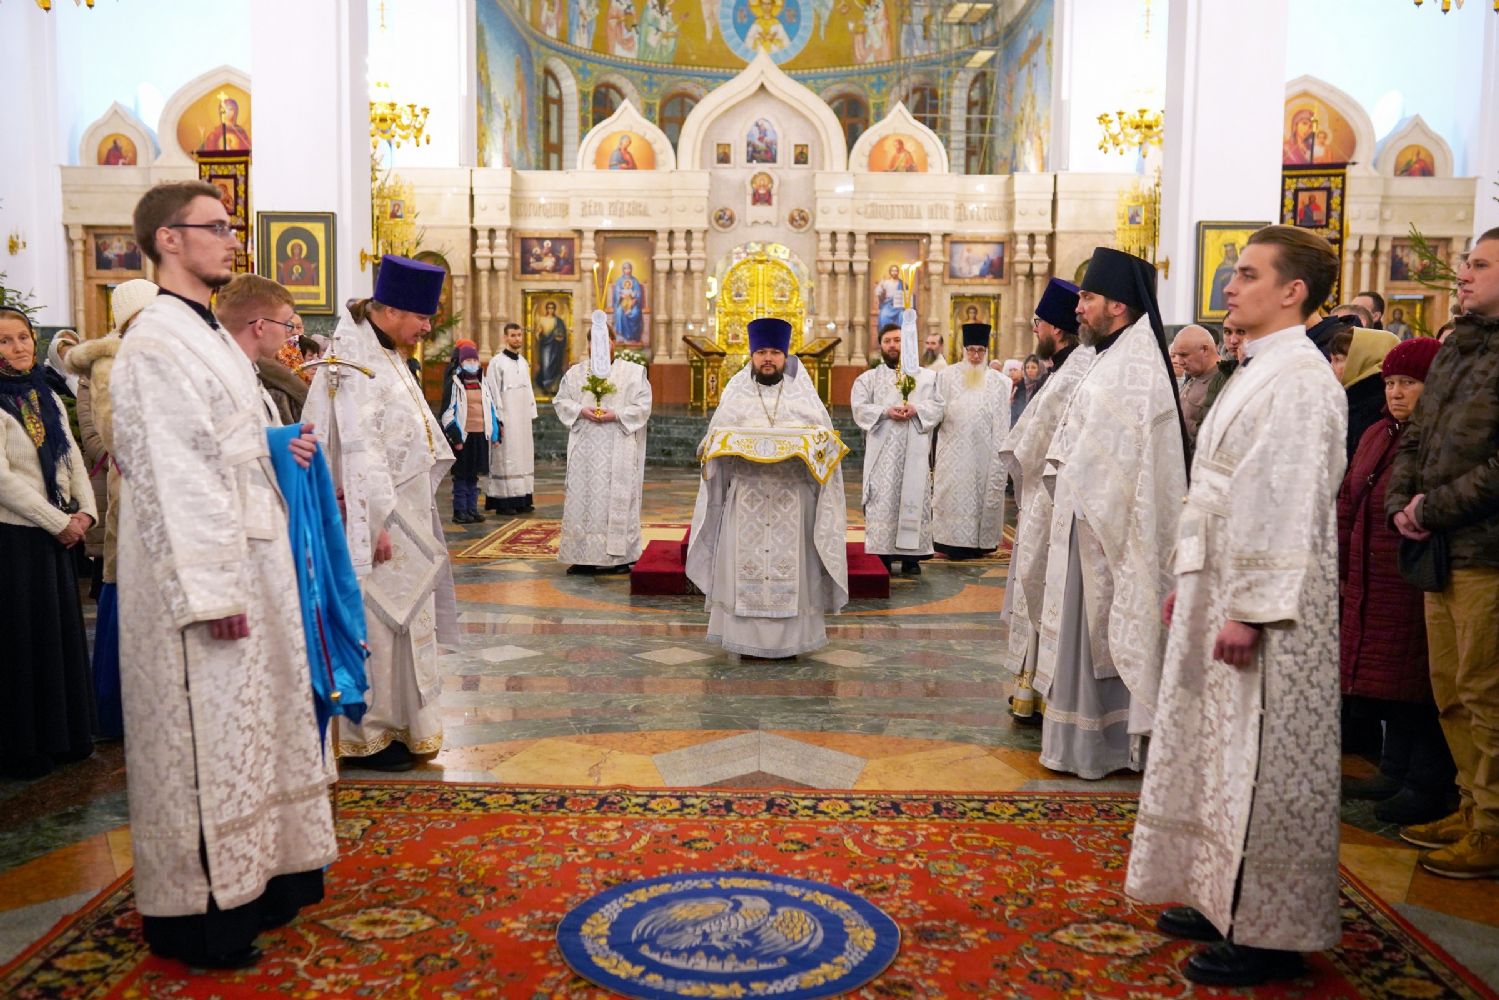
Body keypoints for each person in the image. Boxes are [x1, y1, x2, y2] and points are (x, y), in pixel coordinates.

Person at [111, 180, 334, 968]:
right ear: (168, 239)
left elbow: (239, 444)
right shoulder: (154, 344)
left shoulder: (202, 331)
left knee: (255, 725)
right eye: (216, 226)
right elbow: (175, 474)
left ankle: (261, 878)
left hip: (253, 558)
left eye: (230, 225)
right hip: (204, 578)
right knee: (205, 738)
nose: (232, 238)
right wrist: (211, 591)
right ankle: (203, 916)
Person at [1126, 224, 1348, 987]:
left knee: (1258, 759)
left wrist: (1248, 609)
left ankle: (1268, 932)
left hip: (1266, 607)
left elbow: (1284, 502)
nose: (1229, 284)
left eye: (1248, 273)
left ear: (1292, 291)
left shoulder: (1300, 381)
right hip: (1220, 586)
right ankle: (1221, 895)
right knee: (1220, 754)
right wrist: (1189, 582)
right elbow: (1218, 488)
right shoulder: (1260, 367)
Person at [1032, 247, 1187, 780]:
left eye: (1088, 298)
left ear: (1118, 305)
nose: (1078, 308)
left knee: (1101, 631)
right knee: (1081, 635)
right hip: (1085, 521)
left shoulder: (1137, 367)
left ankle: (1105, 745)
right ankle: (1078, 742)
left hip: (1111, 531)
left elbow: (1130, 461)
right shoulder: (1111, 356)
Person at [304, 255, 458, 773]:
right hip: (376, 523)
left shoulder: (387, 353)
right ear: (390, 310)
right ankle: (368, 732)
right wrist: (374, 520)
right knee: (376, 620)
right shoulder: (351, 361)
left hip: (404, 515)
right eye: (422, 317)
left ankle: (404, 725)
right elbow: (357, 446)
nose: (427, 327)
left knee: (404, 621)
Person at [1386, 226, 1499, 880]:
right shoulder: (1457, 346)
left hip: (1485, 550)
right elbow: (1415, 435)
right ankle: (1470, 805)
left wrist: (1431, 508)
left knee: (1487, 694)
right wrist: (1400, 501)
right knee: (1449, 689)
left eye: (1479, 265)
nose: (1463, 273)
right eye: (1466, 262)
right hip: (1437, 549)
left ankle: (1493, 826)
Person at [1339, 336, 1455, 826]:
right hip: (1370, 572)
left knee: (1419, 684)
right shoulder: (1377, 432)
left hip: (1409, 573)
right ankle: (1393, 768)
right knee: (1391, 683)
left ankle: (1425, 784)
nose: (1396, 393)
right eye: (1390, 383)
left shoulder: (1438, 437)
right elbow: (1349, 497)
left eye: (1409, 382)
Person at [687, 317, 848, 658]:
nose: (768, 359)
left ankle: (791, 642)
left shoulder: (804, 397)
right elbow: (712, 442)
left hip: (793, 498)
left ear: (785, 356)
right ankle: (745, 639)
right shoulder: (735, 395)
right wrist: (711, 451)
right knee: (743, 568)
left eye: (775, 352)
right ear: (752, 356)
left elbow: (825, 443)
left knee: (794, 571)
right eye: (761, 352)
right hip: (747, 497)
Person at [0, 306, 96, 780]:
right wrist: (57, 520)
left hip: (56, 535)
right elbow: (3, 481)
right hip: (14, 540)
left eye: (22, 337)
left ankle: (65, 735)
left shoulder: (45, 393)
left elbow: (71, 456)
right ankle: (22, 746)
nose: (17, 347)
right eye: (4, 340)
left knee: (56, 639)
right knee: (21, 642)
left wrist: (86, 511)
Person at [66, 278, 158, 741]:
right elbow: (114, 436)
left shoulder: (156, 357)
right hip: (136, 497)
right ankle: (119, 709)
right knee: (125, 596)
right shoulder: (108, 363)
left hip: (161, 497)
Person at [1000, 278, 1095, 724]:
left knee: (1045, 588)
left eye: (1038, 322)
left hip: (1054, 499)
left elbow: (1035, 440)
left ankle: (1040, 692)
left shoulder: (1075, 370)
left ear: (1055, 328)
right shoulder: (1067, 367)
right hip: (1045, 497)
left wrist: (1014, 455)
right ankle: (1030, 689)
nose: (1034, 329)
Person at [554, 314, 652, 573]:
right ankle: (582, 557)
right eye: (592, 341)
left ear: (612, 343)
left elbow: (643, 406)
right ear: (588, 345)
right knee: (583, 501)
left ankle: (619, 557)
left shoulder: (633, 373)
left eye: (604, 340)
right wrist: (580, 410)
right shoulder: (576, 373)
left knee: (617, 501)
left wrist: (617, 414)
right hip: (585, 450)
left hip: (619, 446)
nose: (598, 345)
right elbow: (561, 401)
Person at [851, 322, 939, 576]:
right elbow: (859, 407)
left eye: (898, 340)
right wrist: (885, 411)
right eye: (887, 341)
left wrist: (916, 409)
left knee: (913, 498)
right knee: (883, 500)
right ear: (880, 345)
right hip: (882, 454)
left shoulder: (926, 378)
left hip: (915, 452)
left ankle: (912, 558)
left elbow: (938, 406)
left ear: (907, 343)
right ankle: (883, 555)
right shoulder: (868, 378)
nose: (892, 345)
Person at [932, 323, 1009, 560]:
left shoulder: (1000, 382)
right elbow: (936, 411)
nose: (976, 356)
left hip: (984, 453)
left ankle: (980, 544)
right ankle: (949, 542)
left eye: (980, 351)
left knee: (981, 495)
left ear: (986, 351)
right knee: (951, 494)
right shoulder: (946, 376)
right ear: (964, 350)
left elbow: (1003, 423)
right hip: (952, 451)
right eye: (972, 350)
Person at [216, 273, 307, 425]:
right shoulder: (222, 379)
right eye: (287, 324)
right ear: (260, 327)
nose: (289, 332)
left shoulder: (249, 368)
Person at [484, 321, 539, 515]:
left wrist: (531, 412)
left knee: (523, 456)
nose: (517, 339)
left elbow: (529, 389)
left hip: (522, 419)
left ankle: (523, 497)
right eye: (513, 335)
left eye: (519, 335)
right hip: (506, 418)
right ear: (505, 338)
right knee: (506, 457)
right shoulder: (496, 363)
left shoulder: (523, 362)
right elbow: (492, 392)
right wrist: (498, 418)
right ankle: (505, 501)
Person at [440, 342, 498, 524]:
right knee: (461, 476)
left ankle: (472, 509)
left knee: (473, 475)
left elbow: (490, 408)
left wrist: (495, 432)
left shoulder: (483, 382)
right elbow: (447, 413)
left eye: (475, 360)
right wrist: (455, 436)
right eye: (468, 360)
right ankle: (460, 511)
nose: (472, 363)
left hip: (480, 435)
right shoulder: (455, 383)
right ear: (461, 362)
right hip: (463, 436)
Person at [1337, 326, 1400, 462]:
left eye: (1338, 359)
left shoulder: (1373, 406)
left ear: (1360, 360)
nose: (1331, 366)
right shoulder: (1349, 398)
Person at [1169, 324, 1221, 447]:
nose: (1179, 362)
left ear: (1204, 349)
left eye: (1184, 355)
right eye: (1175, 355)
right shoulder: (1195, 374)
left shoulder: (1223, 381)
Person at [534, 299, 568, 395]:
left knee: (555, 366)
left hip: (556, 347)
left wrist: (559, 337)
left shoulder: (559, 321)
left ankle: (554, 388)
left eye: (552, 308)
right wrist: (538, 334)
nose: (550, 310)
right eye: (549, 308)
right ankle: (546, 387)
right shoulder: (542, 319)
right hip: (545, 346)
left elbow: (562, 334)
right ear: (546, 309)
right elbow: (538, 333)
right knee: (546, 366)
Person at [609, 261, 646, 344]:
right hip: (622, 304)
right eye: (625, 268)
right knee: (619, 312)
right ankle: (620, 336)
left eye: (629, 268)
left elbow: (638, 295)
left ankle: (632, 337)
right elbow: (616, 294)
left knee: (635, 312)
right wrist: (621, 296)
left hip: (633, 304)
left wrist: (633, 301)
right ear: (623, 270)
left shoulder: (635, 281)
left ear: (631, 269)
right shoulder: (619, 281)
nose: (627, 270)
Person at [1009, 353, 1046, 425]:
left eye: (1033, 368)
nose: (1030, 370)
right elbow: (1015, 410)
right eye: (1027, 367)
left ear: (1040, 369)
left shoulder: (1044, 386)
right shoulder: (1021, 386)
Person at [874, 265, 905, 331]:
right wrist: (881, 284)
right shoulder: (886, 282)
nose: (894, 272)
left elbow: (906, 295)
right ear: (890, 272)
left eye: (896, 271)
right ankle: (884, 333)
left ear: (898, 272)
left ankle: (899, 333)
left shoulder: (902, 283)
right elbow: (877, 291)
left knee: (902, 315)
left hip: (898, 305)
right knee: (883, 315)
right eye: (893, 271)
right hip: (888, 304)